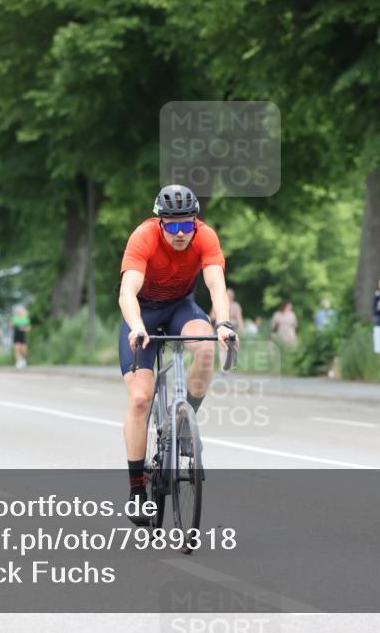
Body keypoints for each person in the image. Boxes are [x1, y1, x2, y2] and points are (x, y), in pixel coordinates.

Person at [118, 184, 237, 526]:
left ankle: (187, 423)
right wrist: (137, 326)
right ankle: (138, 489)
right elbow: (128, 291)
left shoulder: (204, 236)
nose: (182, 233)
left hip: (182, 308)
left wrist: (225, 323)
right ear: (160, 223)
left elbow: (216, 284)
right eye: (173, 226)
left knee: (205, 346)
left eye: (188, 224)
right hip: (144, 313)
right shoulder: (143, 237)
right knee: (140, 399)